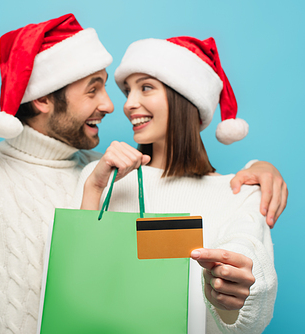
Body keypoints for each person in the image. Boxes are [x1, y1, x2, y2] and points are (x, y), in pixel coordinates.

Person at [0, 15, 285, 333]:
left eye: (120, 88)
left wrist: (257, 171)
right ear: (44, 99)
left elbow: (202, 231)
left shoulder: (103, 175)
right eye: (94, 89)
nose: (113, 106)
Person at [75, 36, 277, 333]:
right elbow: (76, 275)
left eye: (146, 87)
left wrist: (230, 296)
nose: (129, 104)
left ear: (186, 98)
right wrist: (93, 188)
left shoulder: (241, 193)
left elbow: (248, 322)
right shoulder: (102, 177)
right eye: (127, 91)